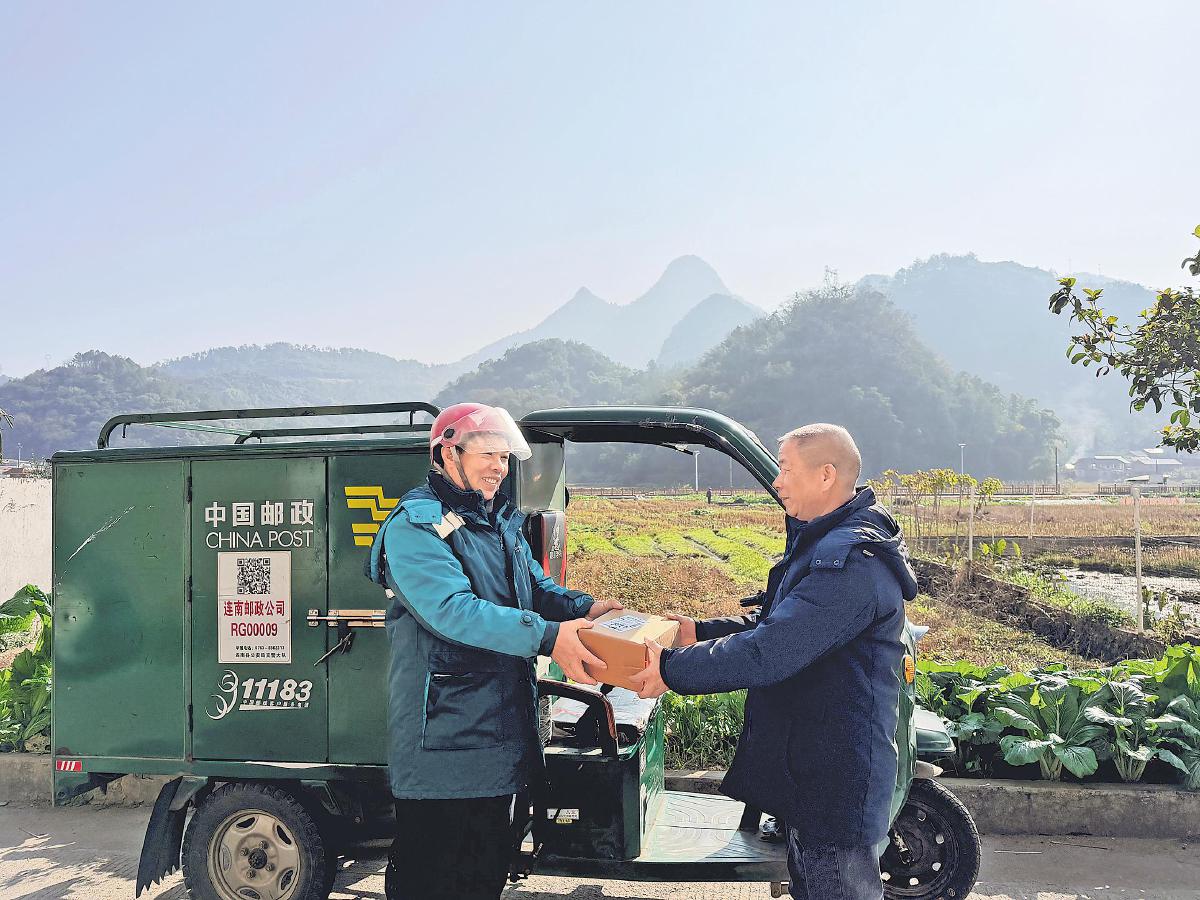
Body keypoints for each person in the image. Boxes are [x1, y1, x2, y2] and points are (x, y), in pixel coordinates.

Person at [631, 423, 918, 900]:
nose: (777, 482)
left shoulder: (851, 562)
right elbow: (782, 622)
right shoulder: (826, 541)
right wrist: (699, 632)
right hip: (814, 768)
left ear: (826, 475)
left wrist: (669, 668)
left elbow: (771, 651)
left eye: (785, 470)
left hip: (835, 779)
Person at [366, 402, 622, 900]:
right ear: (448, 454)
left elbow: (535, 588)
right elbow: (452, 610)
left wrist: (586, 608)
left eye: (504, 457)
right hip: (446, 740)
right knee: (432, 877)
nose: (498, 467)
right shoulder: (416, 526)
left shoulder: (498, 519)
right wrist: (549, 636)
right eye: (487, 454)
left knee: (484, 873)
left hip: (499, 734)